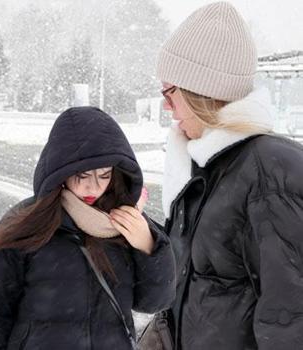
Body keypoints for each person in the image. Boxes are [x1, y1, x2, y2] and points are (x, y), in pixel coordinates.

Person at [0, 107, 175, 349]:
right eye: (83, 176)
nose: (94, 188)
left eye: (104, 175)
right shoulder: (25, 223)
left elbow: (155, 302)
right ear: (61, 171)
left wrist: (149, 245)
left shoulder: (124, 222)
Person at [156, 2, 303, 349]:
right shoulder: (202, 166)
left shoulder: (270, 174)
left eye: (169, 92)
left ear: (200, 92)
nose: (165, 105)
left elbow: (291, 317)